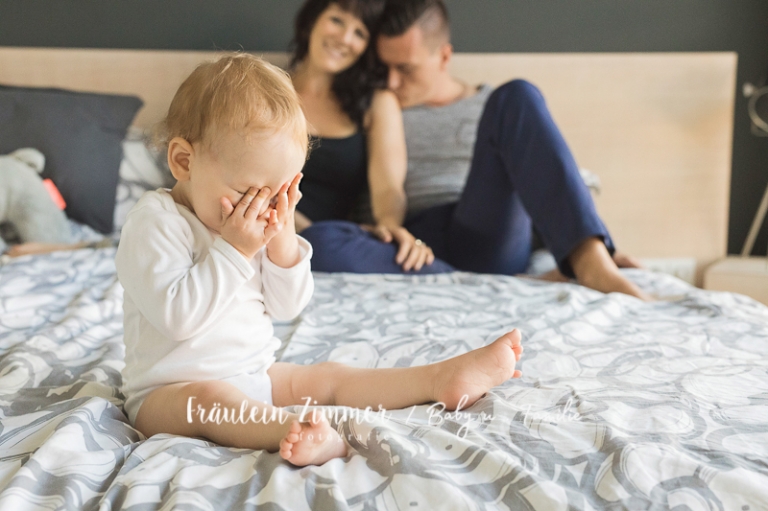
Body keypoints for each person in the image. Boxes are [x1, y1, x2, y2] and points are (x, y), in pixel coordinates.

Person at [115, 53, 524, 467]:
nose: (261, 212)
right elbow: (179, 319)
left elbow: (288, 306)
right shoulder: (155, 222)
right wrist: (237, 250)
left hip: (255, 376)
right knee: (208, 398)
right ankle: (288, 430)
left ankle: (439, 379)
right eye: (249, 194)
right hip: (168, 396)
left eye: (277, 197)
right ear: (184, 161)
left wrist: (283, 241)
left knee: (331, 377)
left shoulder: (251, 224)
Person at [296, 0, 648, 299]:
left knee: (518, 93)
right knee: (318, 242)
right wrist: (387, 228)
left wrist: (579, 243)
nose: (390, 81)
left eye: (405, 69)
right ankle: (500, 283)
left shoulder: (495, 109)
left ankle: (591, 263)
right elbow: (384, 187)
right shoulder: (370, 105)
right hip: (413, 246)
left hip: (485, 230)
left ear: (444, 57)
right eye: (382, 67)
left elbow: (547, 178)